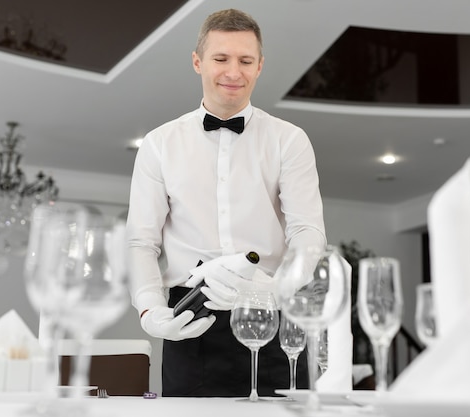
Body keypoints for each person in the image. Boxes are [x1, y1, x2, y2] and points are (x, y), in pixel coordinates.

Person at [125, 8, 326, 397]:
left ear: (260, 66)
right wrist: (151, 312)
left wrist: (276, 290)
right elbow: (140, 242)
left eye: (245, 61)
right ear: (198, 61)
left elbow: (307, 231)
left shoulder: (289, 140)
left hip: (273, 316)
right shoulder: (159, 144)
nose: (234, 72)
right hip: (189, 318)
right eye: (221, 59)